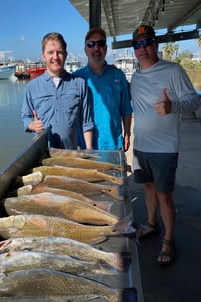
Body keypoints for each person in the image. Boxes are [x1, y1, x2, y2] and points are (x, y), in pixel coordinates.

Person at [130, 25, 200, 265]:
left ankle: (169, 239)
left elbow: (194, 101)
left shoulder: (173, 70)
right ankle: (151, 225)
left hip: (164, 148)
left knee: (164, 196)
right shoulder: (135, 76)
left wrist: (173, 107)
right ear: (134, 50)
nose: (143, 48)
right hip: (140, 146)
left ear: (156, 44)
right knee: (148, 189)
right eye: (137, 45)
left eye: (147, 42)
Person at [21, 32, 93, 149]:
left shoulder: (79, 84)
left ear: (65, 54)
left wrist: (89, 150)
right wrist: (32, 125)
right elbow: (26, 117)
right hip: (42, 154)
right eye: (50, 52)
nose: (55, 57)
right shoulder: (32, 87)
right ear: (43, 56)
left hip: (71, 153)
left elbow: (87, 123)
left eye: (59, 52)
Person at [73, 27, 132, 151]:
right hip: (85, 148)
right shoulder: (76, 78)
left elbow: (126, 109)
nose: (96, 48)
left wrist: (127, 133)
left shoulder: (118, 75)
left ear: (105, 48)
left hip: (114, 145)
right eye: (91, 44)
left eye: (101, 43)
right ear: (85, 50)